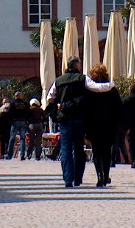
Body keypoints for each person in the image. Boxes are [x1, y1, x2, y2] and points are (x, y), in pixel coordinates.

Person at [47, 56, 114, 188]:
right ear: (77, 66)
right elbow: (96, 87)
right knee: (78, 148)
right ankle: (78, 178)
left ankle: (67, 178)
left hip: (64, 118)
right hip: (78, 118)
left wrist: (59, 105)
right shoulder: (82, 78)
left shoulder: (58, 81)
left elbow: (50, 97)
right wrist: (111, 85)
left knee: (65, 148)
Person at [86, 64, 122, 187]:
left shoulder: (89, 91)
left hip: (94, 126)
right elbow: (119, 109)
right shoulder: (112, 90)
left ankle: (100, 176)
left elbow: (85, 109)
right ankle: (106, 176)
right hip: (109, 126)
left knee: (96, 152)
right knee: (106, 152)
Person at [6, 91, 30, 160]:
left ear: (15, 96)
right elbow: (28, 112)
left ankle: (9, 155)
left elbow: (9, 113)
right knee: (22, 138)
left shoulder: (12, 104)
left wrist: (10, 121)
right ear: (20, 96)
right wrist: (26, 120)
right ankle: (22, 155)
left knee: (12, 138)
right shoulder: (25, 104)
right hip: (23, 121)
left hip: (14, 122)